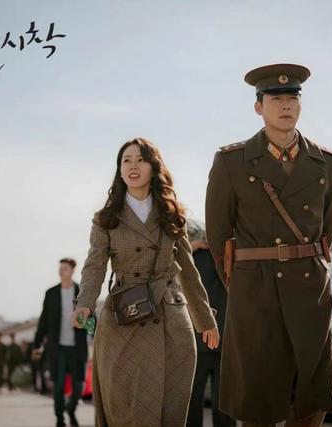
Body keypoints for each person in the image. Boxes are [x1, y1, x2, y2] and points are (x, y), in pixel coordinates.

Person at [205, 63, 332, 427]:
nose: (286, 105)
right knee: (259, 395)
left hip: (310, 290)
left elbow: (326, 231)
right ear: (259, 107)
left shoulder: (326, 163)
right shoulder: (231, 162)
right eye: (276, 99)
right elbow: (218, 236)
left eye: (292, 98)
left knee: (313, 391)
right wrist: (244, 282)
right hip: (255, 291)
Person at [73, 137, 220, 426]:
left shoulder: (172, 214)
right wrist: (85, 303)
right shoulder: (106, 218)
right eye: (126, 160)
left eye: (140, 159)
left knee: (169, 409)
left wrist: (205, 320)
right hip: (124, 318)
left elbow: (188, 271)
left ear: (153, 167)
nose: (133, 166)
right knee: (123, 407)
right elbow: (95, 264)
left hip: (170, 321)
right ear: (119, 170)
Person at [185, 219, 234, 427]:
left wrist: (191, 249)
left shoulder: (193, 258)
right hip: (225, 338)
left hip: (198, 337)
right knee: (225, 400)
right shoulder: (231, 260)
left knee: (193, 399)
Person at [33, 258, 88, 427]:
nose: (61, 271)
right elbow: (43, 320)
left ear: (72, 271)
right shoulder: (51, 293)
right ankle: (59, 419)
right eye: (60, 268)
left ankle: (70, 408)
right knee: (58, 385)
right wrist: (37, 344)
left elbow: (90, 319)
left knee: (78, 386)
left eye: (65, 268)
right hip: (58, 347)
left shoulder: (81, 292)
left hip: (77, 347)